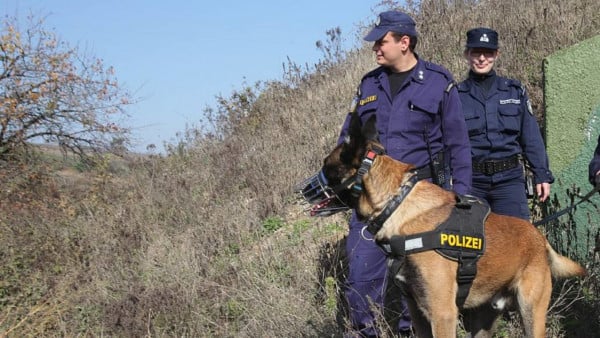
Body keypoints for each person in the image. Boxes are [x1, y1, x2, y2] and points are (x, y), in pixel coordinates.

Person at [335, 10, 472, 337]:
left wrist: (463, 198)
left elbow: (459, 144)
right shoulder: (368, 84)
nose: (375, 49)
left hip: (420, 205)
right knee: (360, 280)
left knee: (421, 284)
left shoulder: (438, 83)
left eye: (382, 42)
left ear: (404, 42)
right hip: (371, 202)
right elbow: (347, 140)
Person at [457, 27, 554, 221]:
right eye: (476, 52)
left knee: (517, 242)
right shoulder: (455, 95)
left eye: (488, 53)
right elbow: (448, 142)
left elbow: (531, 137)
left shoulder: (514, 91)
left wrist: (541, 174)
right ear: (467, 54)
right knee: (471, 245)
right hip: (472, 182)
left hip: (509, 181)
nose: (482, 58)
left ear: (497, 54)